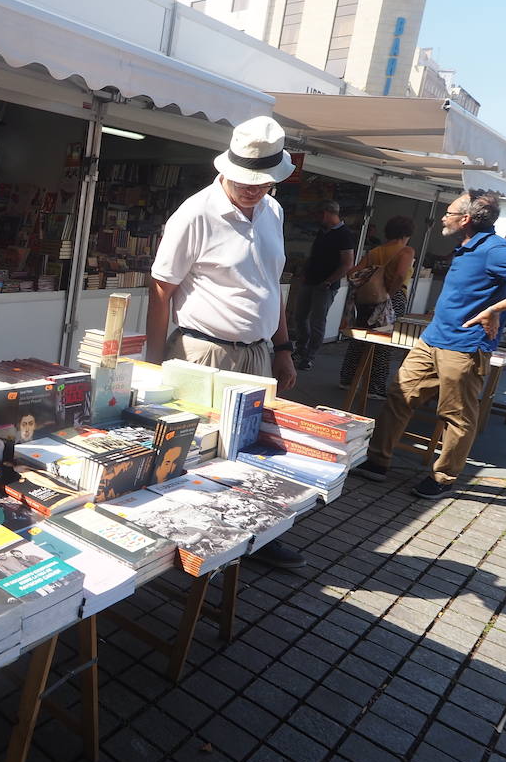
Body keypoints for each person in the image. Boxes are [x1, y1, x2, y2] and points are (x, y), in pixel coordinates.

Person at [145, 115, 301, 568]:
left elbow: (273, 285)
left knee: (253, 449)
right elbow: (162, 290)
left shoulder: (273, 211)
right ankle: (190, 536)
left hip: (257, 352)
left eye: (263, 182)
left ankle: (256, 535)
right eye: (245, 180)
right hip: (202, 351)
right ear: (226, 167)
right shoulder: (195, 212)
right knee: (198, 450)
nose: (253, 189)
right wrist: (153, 366)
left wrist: (283, 348)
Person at [353, 193, 506, 498]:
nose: (442, 218)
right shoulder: (465, 247)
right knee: (399, 395)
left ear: (465, 219)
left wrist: (494, 310)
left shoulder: (494, 249)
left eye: (448, 213)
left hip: (464, 347)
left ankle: (443, 478)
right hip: (432, 340)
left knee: (456, 416)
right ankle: (377, 462)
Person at [339, 216, 416, 398]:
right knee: (384, 342)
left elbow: (353, 272)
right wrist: (390, 292)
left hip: (369, 298)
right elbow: (400, 275)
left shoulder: (375, 251)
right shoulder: (406, 251)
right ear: (407, 233)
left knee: (360, 336)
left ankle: (348, 379)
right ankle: (374, 386)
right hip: (392, 298)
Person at [293, 201, 355, 371]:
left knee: (317, 320)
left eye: (320, 215)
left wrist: (329, 281)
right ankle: (300, 347)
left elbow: (347, 263)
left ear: (327, 214)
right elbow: (314, 255)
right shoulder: (323, 232)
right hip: (310, 280)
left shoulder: (344, 235)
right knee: (300, 316)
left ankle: (309, 355)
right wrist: (305, 272)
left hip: (326, 285)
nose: (317, 219)